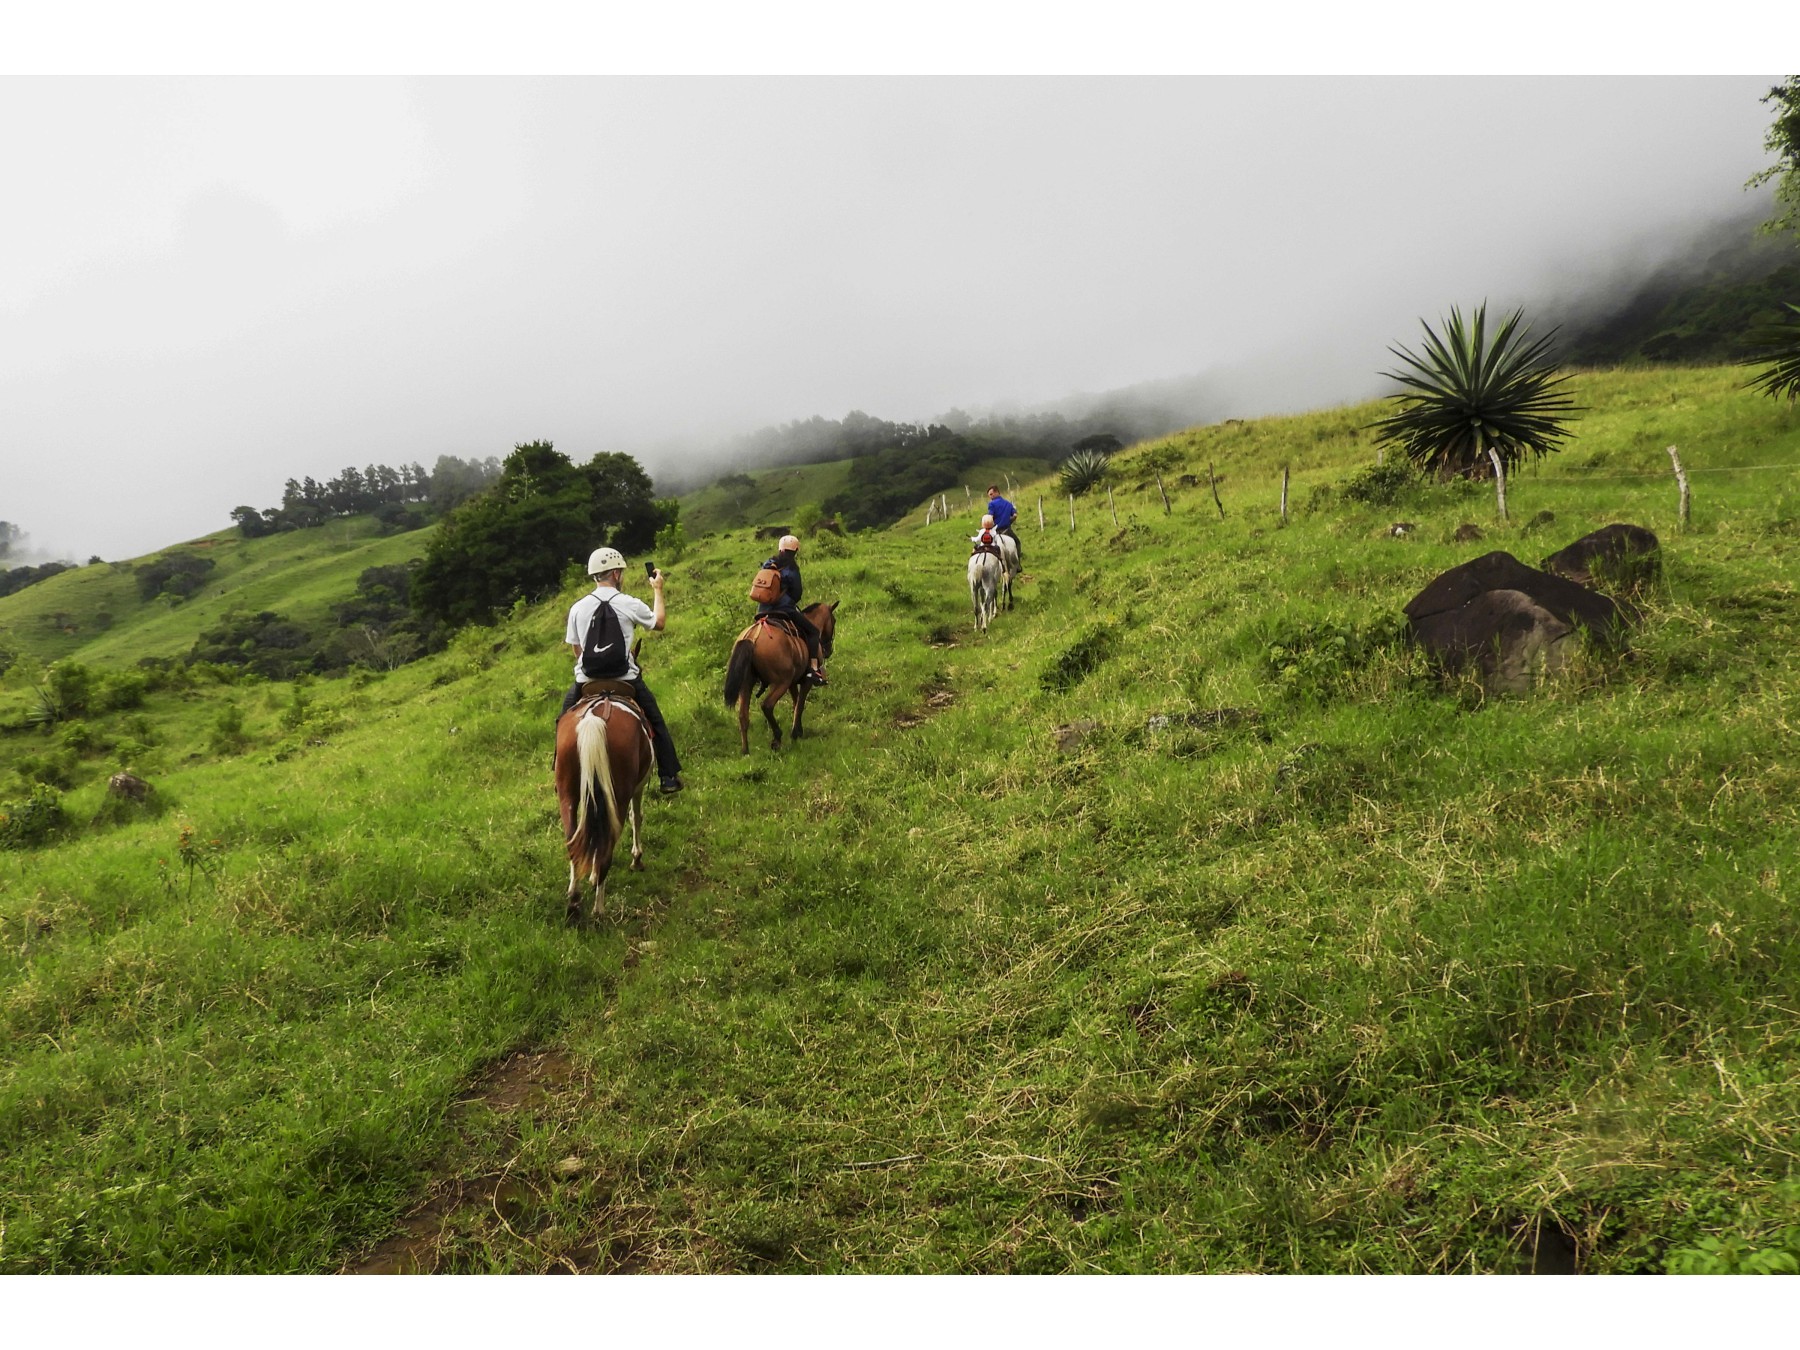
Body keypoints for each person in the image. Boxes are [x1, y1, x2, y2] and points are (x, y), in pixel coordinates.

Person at [559, 546, 684, 794]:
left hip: (587, 681)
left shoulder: (577, 608)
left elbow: (577, 651)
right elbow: (658, 623)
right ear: (615, 574)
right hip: (625, 680)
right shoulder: (628, 603)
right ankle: (668, 776)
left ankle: (559, 772)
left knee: (562, 721)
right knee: (656, 721)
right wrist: (658, 590)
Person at [757, 533, 826, 685]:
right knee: (813, 631)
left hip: (762, 610)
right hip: (784, 610)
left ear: (780, 549)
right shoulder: (792, 569)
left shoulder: (768, 564)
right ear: (795, 551)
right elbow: (797, 593)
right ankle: (813, 669)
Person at [985, 485, 1022, 565]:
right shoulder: (1008, 504)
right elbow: (1015, 515)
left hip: (996, 532)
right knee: (1017, 543)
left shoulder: (992, 504)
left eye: (991, 494)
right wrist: (1008, 521)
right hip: (1007, 531)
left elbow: (990, 517)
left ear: (997, 492)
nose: (990, 497)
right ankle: (1018, 564)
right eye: (989, 495)